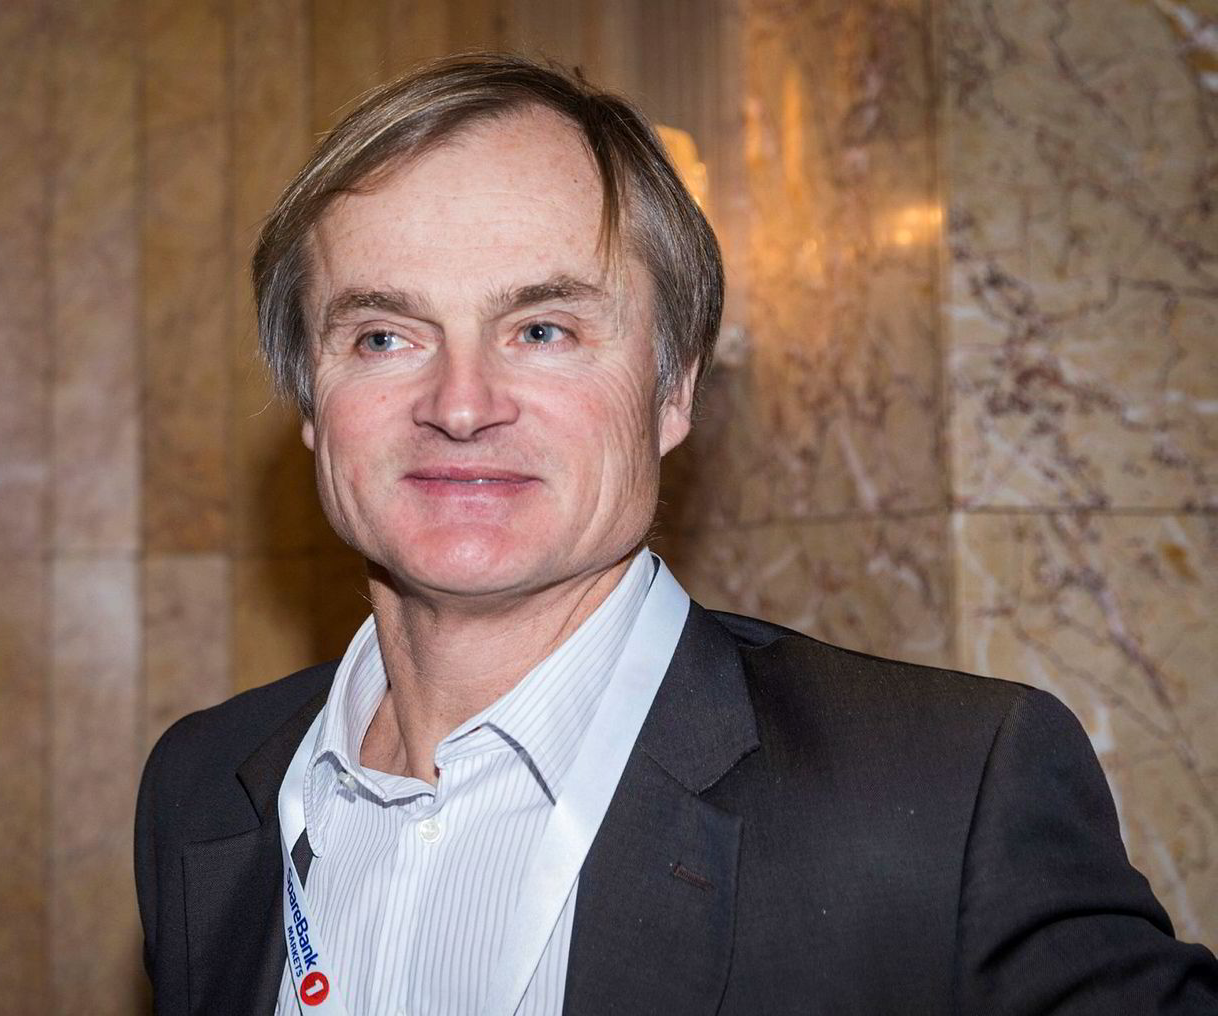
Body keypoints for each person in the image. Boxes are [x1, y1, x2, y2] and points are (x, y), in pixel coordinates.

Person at [134, 54, 1218, 1015]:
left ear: (673, 391)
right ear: (312, 401)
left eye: (543, 329)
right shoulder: (206, 788)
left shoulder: (949, 796)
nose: (460, 404)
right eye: (383, 335)